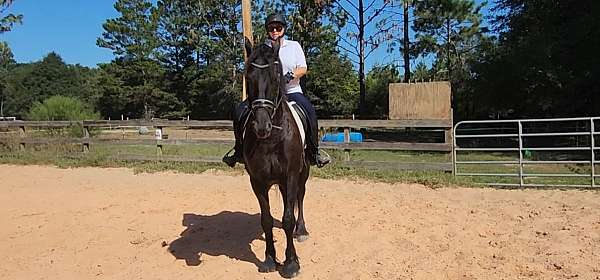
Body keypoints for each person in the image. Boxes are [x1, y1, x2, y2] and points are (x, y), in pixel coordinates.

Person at [223, 13, 330, 168]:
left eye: (278, 28)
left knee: (310, 112)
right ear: (267, 30)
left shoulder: (294, 46)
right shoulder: (262, 48)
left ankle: (314, 152)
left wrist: (289, 76)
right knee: (239, 111)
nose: (275, 31)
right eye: (271, 28)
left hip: (292, 91)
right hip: (266, 95)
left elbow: (303, 68)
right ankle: (239, 150)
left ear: (283, 29)